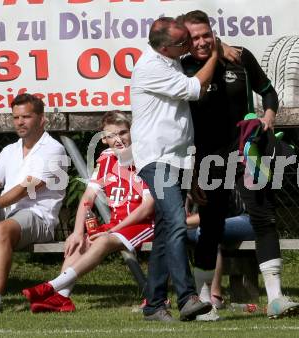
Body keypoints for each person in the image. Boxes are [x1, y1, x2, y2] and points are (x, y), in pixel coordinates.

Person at [179, 10, 299, 320]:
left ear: (213, 32)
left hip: (249, 153)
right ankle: (205, 301)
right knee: (211, 227)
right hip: (208, 158)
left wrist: (268, 117)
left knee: (264, 217)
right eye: (194, 37)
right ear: (185, 41)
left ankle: (276, 298)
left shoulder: (241, 57)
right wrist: (191, 169)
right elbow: (181, 124)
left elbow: (269, 93)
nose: (202, 41)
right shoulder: (182, 69)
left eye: (207, 34)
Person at [129, 17, 220, 322]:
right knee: (178, 222)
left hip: (178, 159)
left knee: (167, 230)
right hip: (157, 158)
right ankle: (187, 297)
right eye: (184, 42)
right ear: (166, 46)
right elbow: (195, 88)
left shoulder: (170, 59)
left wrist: (191, 170)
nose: (190, 47)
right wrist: (217, 53)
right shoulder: (150, 67)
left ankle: (154, 304)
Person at [22, 111, 155, 313]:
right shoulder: (106, 159)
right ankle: (62, 299)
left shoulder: (145, 158)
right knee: (79, 243)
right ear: (104, 139)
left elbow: (148, 207)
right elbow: (88, 197)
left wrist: (112, 231)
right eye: (112, 135)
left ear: (132, 132)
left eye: (123, 133)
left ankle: (51, 287)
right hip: (119, 224)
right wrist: (76, 232)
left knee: (102, 240)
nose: (118, 140)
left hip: (145, 223)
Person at [0, 93, 67, 314]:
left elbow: (28, 187)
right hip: (9, 213)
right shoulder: (9, 150)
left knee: (1, 229)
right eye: (16, 117)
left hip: (39, 217)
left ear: (41, 119)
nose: (20, 122)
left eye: (26, 117)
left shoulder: (54, 149)